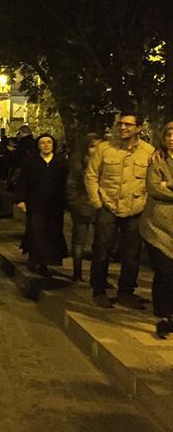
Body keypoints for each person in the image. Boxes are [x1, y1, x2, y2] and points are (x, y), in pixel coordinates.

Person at [85, 110, 155, 309]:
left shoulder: (148, 152)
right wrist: (97, 202)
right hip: (108, 206)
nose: (123, 128)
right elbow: (91, 176)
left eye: (128, 125)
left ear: (138, 128)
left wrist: (145, 205)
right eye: (121, 124)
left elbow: (152, 181)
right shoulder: (105, 149)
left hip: (135, 210)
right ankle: (98, 289)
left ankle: (126, 292)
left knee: (132, 254)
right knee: (102, 250)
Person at [15, 134, 69, 276]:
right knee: (36, 232)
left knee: (51, 233)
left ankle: (47, 262)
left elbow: (66, 183)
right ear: (38, 145)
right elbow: (23, 181)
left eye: (49, 142)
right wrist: (21, 200)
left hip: (55, 206)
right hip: (35, 204)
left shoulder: (60, 161)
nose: (46, 145)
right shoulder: (31, 161)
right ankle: (35, 260)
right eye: (43, 142)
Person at [140, 121, 173, 338]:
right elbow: (153, 187)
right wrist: (163, 187)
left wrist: (168, 185)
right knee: (164, 272)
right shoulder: (157, 160)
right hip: (157, 225)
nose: (172, 138)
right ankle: (163, 316)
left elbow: (163, 187)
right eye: (169, 134)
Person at [65, 134, 101, 281]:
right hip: (82, 206)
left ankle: (98, 276)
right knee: (79, 240)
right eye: (92, 147)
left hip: (99, 206)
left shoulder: (104, 164)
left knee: (100, 242)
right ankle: (77, 273)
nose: (96, 150)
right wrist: (79, 205)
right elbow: (71, 187)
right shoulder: (78, 164)